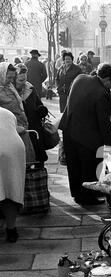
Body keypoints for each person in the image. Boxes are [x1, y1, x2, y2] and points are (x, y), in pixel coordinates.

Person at [58, 63, 111, 205]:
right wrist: (110, 146)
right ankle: (88, 198)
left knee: (74, 166)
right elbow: (104, 123)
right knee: (89, 167)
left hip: (69, 129)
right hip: (86, 136)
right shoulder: (101, 93)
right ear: (107, 79)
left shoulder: (80, 78)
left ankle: (78, 195)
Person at [0, 62, 36, 163]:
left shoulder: (10, 87)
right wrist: (14, 128)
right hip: (8, 135)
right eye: (9, 77)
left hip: (22, 130)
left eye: (13, 77)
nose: (11, 80)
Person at [0, 107, 26, 243]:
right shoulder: (6, 112)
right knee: (10, 188)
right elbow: (16, 129)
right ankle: (11, 230)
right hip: (13, 149)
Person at [14, 63, 48, 164]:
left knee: (37, 156)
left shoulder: (30, 88)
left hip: (34, 127)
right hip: (19, 129)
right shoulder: (10, 92)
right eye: (20, 80)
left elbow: (38, 104)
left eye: (25, 79)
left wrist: (41, 110)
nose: (23, 83)